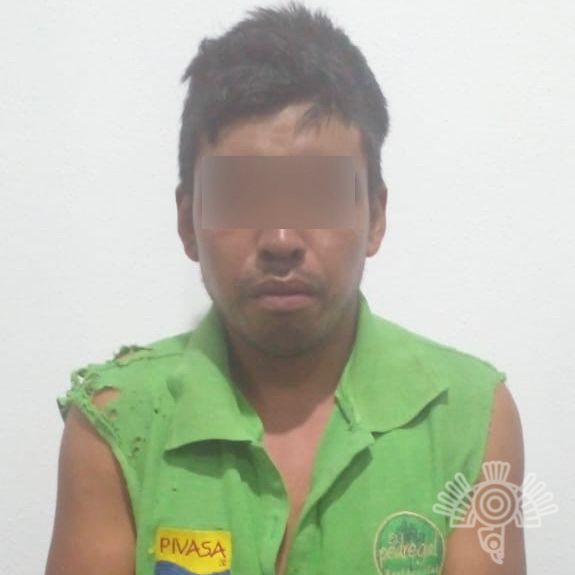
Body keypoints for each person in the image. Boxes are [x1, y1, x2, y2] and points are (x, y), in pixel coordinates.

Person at [45, 3, 526, 574]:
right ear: (187, 223)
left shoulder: (469, 416)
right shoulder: (117, 422)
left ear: (375, 217)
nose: (279, 239)